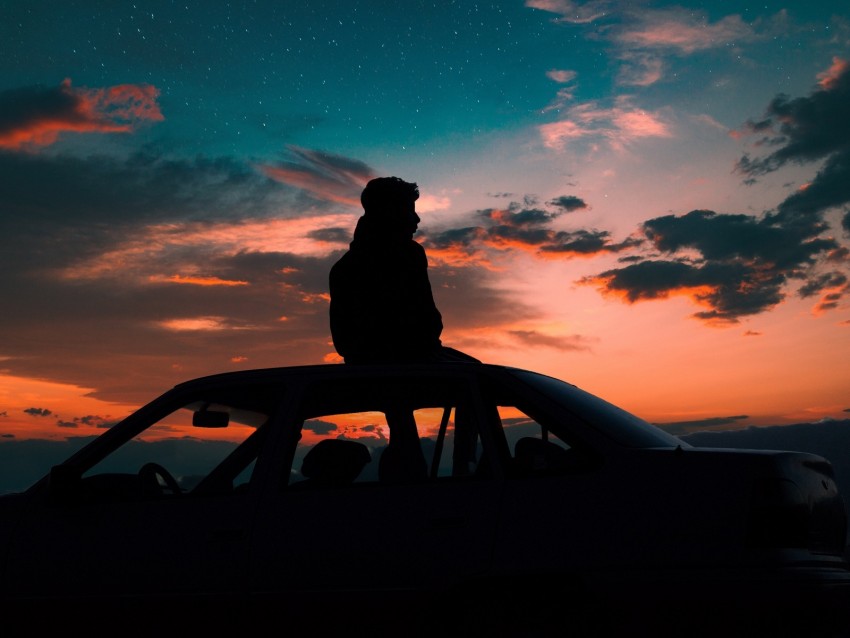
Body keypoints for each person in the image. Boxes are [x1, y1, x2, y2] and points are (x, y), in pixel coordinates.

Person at [328, 176, 477, 364]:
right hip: (407, 366)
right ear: (389, 213)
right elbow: (424, 323)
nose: (416, 219)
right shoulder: (409, 254)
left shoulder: (344, 268)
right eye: (409, 211)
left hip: (402, 362)